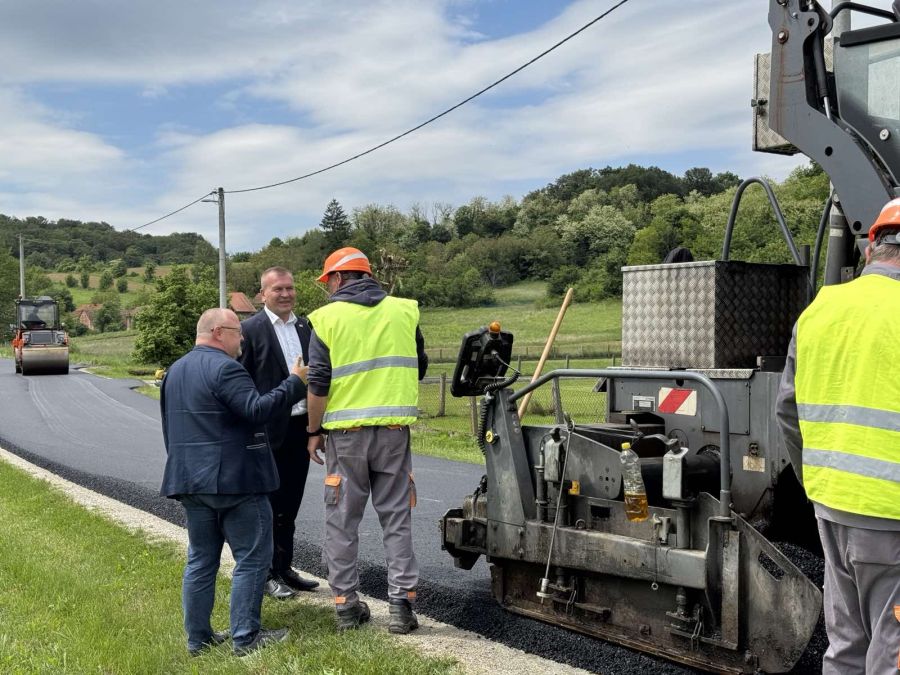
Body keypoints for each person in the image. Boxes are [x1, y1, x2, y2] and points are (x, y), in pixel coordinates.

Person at [776, 198, 900, 675]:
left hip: (832, 509)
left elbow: (787, 409)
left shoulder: (821, 310)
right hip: (891, 518)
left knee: (846, 647)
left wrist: (817, 482)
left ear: (872, 247)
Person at [160, 308, 308, 656]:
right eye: (237, 332)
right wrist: (294, 383)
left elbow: (171, 428)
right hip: (236, 482)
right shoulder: (227, 368)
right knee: (254, 560)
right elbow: (256, 409)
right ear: (217, 332)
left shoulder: (175, 371)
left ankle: (198, 640)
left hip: (190, 481)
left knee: (201, 560)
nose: (242, 339)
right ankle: (246, 637)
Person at [305, 247, 428, 634]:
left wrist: (313, 431)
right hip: (393, 434)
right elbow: (419, 366)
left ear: (339, 279)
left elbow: (318, 383)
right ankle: (401, 609)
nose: (327, 291)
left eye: (328, 283)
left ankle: (346, 609)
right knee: (396, 519)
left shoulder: (326, 319)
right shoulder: (405, 311)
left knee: (342, 522)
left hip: (345, 437)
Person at [238, 266, 319, 599]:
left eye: (290, 288)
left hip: (300, 428)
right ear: (262, 294)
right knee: (266, 506)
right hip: (265, 431)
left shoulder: (307, 326)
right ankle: (266, 573)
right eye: (278, 290)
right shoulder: (249, 330)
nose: (286, 294)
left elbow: (318, 379)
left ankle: (285, 567)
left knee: (290, 503)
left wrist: (318, 428)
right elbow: (241, 382)